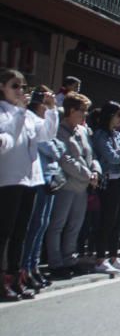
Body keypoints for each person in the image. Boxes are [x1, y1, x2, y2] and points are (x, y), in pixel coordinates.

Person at [1, 70, 58, 300]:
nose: (20, 91)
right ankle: (3, 278)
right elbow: (7, 142)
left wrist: (51, 109)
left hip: (30, 180)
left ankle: (15, 276)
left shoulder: (27, 115)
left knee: (20, 232)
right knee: (4, 232)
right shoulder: (5, 113)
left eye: (23, 87)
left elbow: (46, 135)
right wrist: (20, 115)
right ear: (2, 87)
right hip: (8, 180)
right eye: (15, 86)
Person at [45, 93, 101, 279]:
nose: (84, 115)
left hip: (82, 188)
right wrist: (87, 175)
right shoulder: (59, 130)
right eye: (81, 111)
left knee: (75, 225)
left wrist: (95, 171)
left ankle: (70, 259)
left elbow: (91, 155)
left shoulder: (83, 131)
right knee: (58, 224)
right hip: (66, 185)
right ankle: (55, 262)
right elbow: (64, 159)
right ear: (70, 110)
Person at [20, 87, 66, 291]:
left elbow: (56, 142)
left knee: (42, 224)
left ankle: (33, 265)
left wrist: (52, 111)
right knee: (32, 225)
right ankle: (24, 268)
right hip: (34, 179)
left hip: (48, 177)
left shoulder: (41, 121)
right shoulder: (28, 118)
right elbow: (48, 143)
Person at [92, 101, 120, 276]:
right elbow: (111, 156)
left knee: (118, 223)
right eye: (119, 115)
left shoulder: (118, 135)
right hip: (107, 182)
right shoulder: (100, 135)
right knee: (107, 221)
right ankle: (100, 259)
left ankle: (114, 256)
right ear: (110, 116)